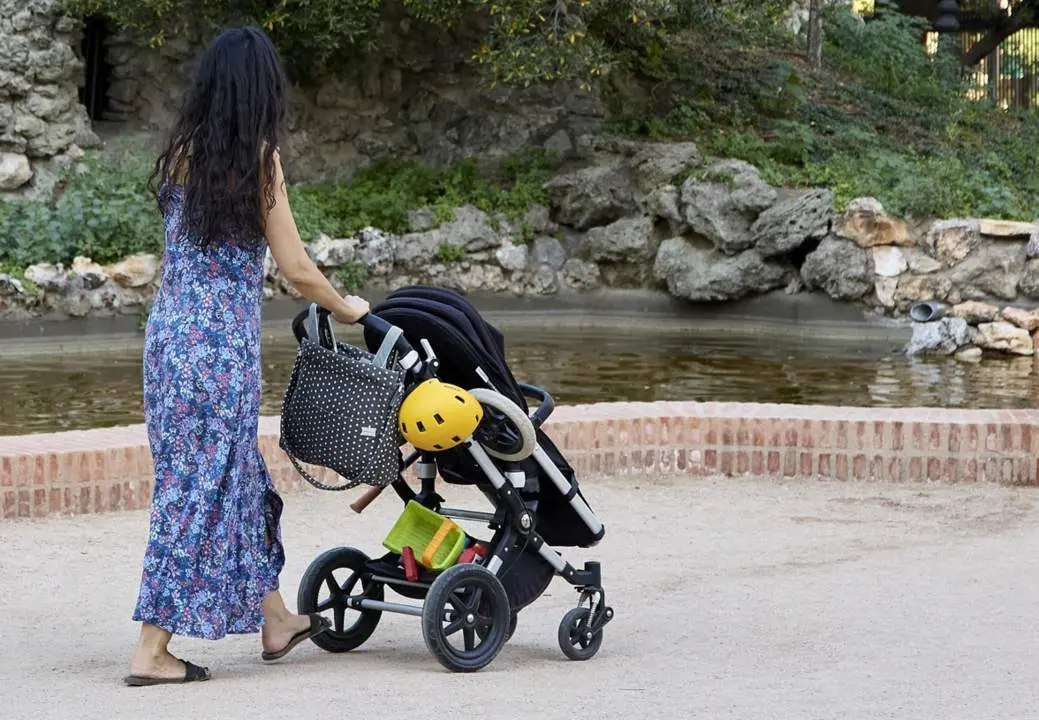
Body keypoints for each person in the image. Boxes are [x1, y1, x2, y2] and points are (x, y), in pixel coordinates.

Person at [124, 25, 370, 686]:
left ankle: (276, 619)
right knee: (199, 488)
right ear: (262, 91)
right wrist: (349, 309)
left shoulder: (182, 153)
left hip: (169, 340)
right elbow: (297, 268)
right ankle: (152, 648)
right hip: (218, 352)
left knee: (232, 476)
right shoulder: (257, 160)